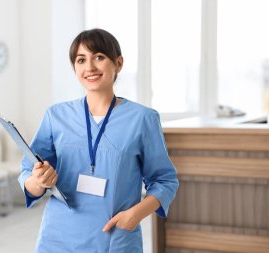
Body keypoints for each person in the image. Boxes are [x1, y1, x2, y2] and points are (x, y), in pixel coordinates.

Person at [19, 28, 179, 252]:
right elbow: (28, 172)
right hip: (58, 236)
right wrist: (38, 182)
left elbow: (165, 181)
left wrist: (135, 215)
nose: (90, 67)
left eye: (99, 57)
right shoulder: (56, 116)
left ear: (118, 63)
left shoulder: (143, 119)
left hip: (114, 236)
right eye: (81, 60)